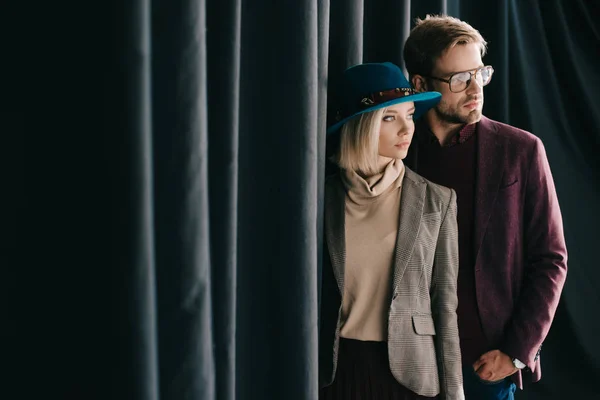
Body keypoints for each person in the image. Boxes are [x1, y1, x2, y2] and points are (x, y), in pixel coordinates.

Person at [402, 15, 568, 400]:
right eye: (459, 79)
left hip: (485, 367)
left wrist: (516, 353)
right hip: (407, 362)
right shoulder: (400, 150)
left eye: (480, 72)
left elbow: (551, 258)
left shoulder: (521, 150)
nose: (475, 88)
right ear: (421, 84)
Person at [319, 61, 465, 400]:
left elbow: (444, 304)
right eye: (390, 117)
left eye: (410, 114)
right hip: (335, 374)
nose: (407, 129)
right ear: (360, 125)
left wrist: (455, 392)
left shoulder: (437, 201)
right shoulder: (320, 201)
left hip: (411, 375)